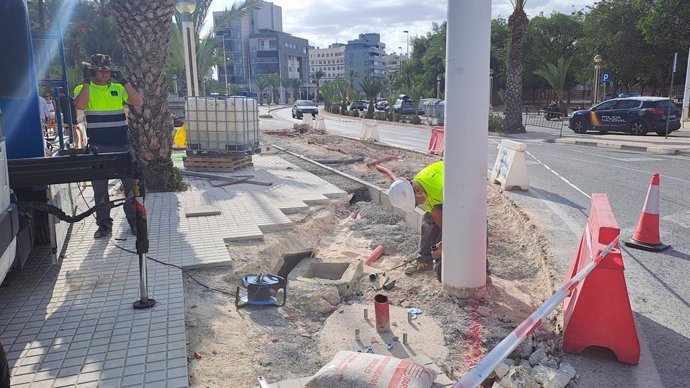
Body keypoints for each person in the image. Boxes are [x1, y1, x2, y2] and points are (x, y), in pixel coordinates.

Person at [74, 53, 144, 238]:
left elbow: (138, 102)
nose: (104, 75)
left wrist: (125, 82)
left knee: (131, 186)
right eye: (100, 71)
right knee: (100, 190)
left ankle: (134, 222)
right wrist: (86, 83)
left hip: (122, 146)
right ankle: (104, 225)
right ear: (92, 71)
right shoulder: (83, 88)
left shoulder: (118, 88)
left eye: (107, 71)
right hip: (99, 148)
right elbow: (80, 105)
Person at [389, 161, 443, 279]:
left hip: (463, 193)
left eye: (416, 203)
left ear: (418, 191)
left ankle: (483, 271)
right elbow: (435, 211)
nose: (419, 205)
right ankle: (425, 261)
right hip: (442, 194)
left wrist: (448, 242)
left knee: (473, 229)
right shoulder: (418, 186)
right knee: (429, 220)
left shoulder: (441, 187)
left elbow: (462, 219)